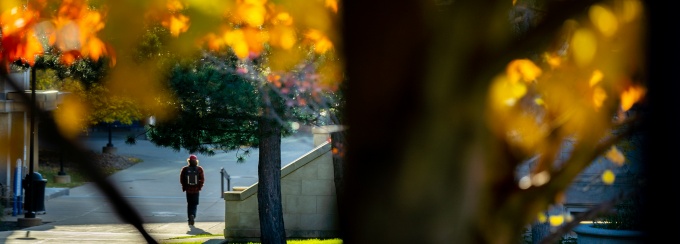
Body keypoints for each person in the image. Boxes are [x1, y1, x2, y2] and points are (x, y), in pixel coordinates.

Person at [179, 154, 205, 225]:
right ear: (196, 161)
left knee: (189, 203)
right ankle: (193, 215)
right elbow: (202, 179)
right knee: (194, 204)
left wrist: (185, 186)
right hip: (196, 190)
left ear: (189, 161)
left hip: (188, 190)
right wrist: (199, 187)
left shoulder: (185, 169)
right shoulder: (199, 169)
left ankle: (189, 217)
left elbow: (181, 179)